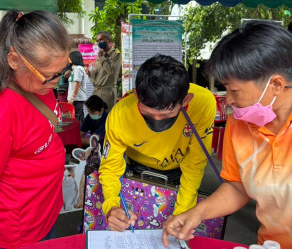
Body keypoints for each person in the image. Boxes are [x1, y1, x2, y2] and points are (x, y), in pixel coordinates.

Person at [163, 21, 292, 248]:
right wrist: (197, 213)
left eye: (234, 91)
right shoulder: (239, 124)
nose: (229, 100)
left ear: (276, 85)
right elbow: (237, 186)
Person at [0, 10, 71, 249]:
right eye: (49, 77)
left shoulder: (34, 82)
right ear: (14, 60)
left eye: (62, 72)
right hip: (22, 225)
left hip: (46, 208)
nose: (56, 83)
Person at [99, 54, 216, 232]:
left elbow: (195, 163)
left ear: (186, 101)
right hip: (136, 170)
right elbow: (111, 168)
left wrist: (182, 212)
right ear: (136, 95)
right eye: (147, 113)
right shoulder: (120, 114)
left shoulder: (203, 103)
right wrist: (111, 205)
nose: (157, 120)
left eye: (167, 115)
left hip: (179, 170)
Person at [88, 31, 121, 112]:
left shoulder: (116, 54)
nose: (99, 42)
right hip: (96, 91)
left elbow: (111, 71)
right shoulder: (100, 55)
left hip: (107, 92)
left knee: (106, 117)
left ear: (108, 40)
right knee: (95, 117)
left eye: (101, 40)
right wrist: (90, 74)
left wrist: (102, 58)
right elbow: (97, 74)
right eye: (98, 40)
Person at [67, 51, 87, 123]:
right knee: (80, 116)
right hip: (77, 98)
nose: (68, 59)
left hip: (77, 98)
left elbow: (77, 84)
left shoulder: (78, 69)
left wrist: (73, 98)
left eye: (69, 57)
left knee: (76, 117)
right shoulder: (75, 68)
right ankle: (82, 132)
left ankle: (77, 133)